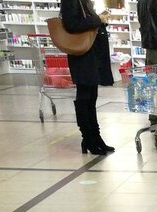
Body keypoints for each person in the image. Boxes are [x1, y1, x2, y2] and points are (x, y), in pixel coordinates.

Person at [60, 0, 115, 155]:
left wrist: (100, 20)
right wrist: (98, 19)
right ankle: (88, 138)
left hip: (91, 53)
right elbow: (71, 24)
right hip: (82, 54)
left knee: (92, 97)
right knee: (84, 97)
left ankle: (95, 137)